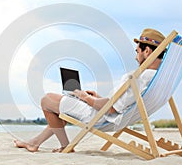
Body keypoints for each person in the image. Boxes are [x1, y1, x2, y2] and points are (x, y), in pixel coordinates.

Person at [14, 28, 166, 152]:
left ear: (147, 51)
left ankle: (66, 146)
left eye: (137, 51)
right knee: (58, 107)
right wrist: (96, 97)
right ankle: (34, 143)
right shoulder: (156, 77)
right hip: (106, 113)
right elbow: (119, 104)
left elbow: (112, 109)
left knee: (47, 100)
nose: (136, 56)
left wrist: (85, 97)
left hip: (100, 116)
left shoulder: (137, 77)